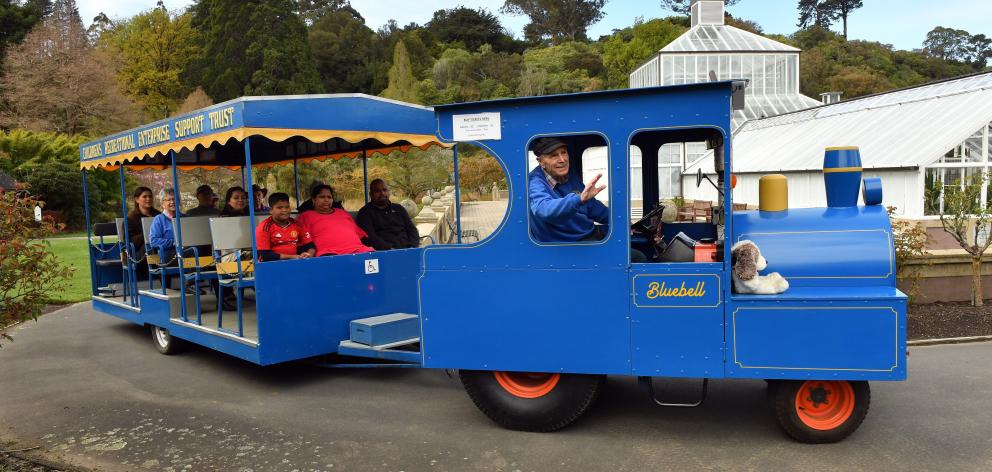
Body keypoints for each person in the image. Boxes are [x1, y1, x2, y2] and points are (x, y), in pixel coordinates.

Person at [528, 137, 609, 242]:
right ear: (541, 162)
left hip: (588, 231)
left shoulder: (569, 175)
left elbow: (592, 207)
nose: (562, 160)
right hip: (572, 243)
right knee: (635, 256)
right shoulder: (535, 182)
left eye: (564, 153)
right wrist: (578, 199)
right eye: (554, 155)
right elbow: (543, 209)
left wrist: (622, 223)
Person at [296, 184, 373, 256]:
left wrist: (370, 247)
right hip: (328, 253)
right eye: (322, 197)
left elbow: (361, 235)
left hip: (357, 250)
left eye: (329, 197)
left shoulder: (343, 213)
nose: (326, 200)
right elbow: (302, 241)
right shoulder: (306, 216)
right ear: (313, 200)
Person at [356, 179, 419, 250]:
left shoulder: (398, 208)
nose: (382, 193)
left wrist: (413, 247)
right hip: (384, 253)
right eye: (377, 191)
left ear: (388, 192)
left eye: (384, 190)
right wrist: (389, 249)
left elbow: (412, 229)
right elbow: (370, 237)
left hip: (408, 250)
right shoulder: (365, 213)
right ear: (371, 194)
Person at [256, 193, 316, 261]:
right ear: (271, 210)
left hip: (295, 263)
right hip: (272, 265)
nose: (284, 210)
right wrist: (293, 257)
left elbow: (310, 246)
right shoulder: (264, 227)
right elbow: (265, 255)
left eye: (287, 207)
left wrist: (308, 255)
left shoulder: (297, 224)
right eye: (280, 207)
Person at [125, 186, 161, 279]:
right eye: (144, 197)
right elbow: (130, 242)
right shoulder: (131, 218)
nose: (148, 199)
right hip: (137, 254)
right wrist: (148, 233)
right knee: (149, 246)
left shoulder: (159, 215)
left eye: (150, 196)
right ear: (137, 199)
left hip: (159, 249)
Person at [148, 188, 184, 263]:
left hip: (188, 251)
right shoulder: (159, 219)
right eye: (168, 200)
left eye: (174, 199)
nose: (172, 202)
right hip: (169, 254)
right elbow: (154, 241)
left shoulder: (185, 217)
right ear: (162, 203)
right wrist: (174, 242)